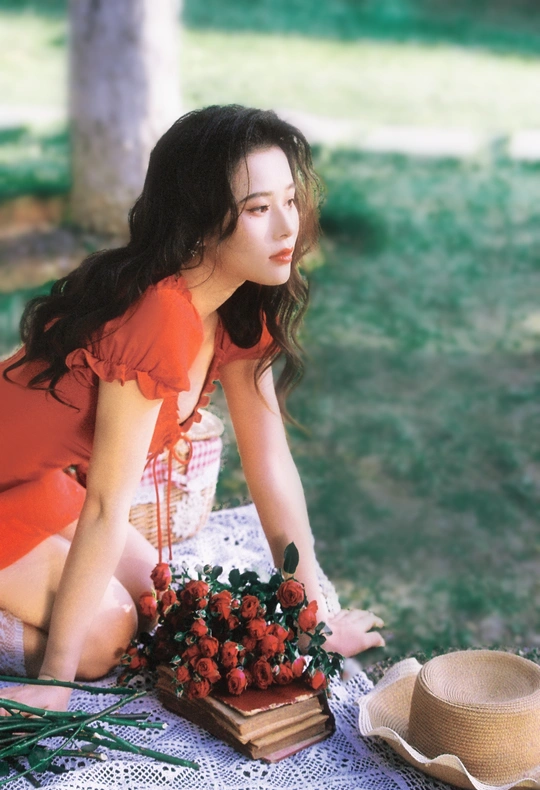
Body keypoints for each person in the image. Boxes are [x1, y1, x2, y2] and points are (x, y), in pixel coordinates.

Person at [0, 105, 384, 714]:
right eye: (258, 209)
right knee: (103, 638)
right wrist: (55, 680)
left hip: (32, 483)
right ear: (201, 221)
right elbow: (105, 504)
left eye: (291, 200)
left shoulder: (241, 304)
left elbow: (270, 465)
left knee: (163, 605)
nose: (288, 226)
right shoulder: (158, 314)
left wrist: (309, 624)